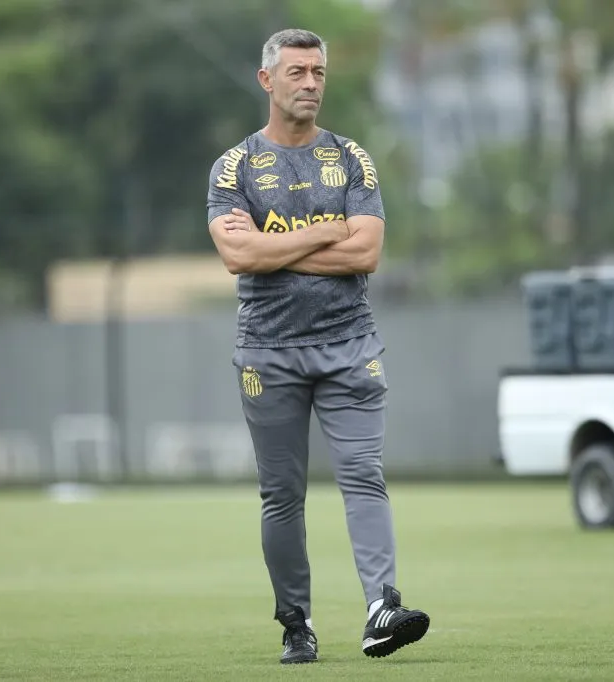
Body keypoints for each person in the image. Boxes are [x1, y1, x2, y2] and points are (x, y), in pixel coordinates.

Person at [205, 28, 430, 665]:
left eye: (319, 73)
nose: (310, 83)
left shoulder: (352, 158)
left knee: (365, 477)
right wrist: (327, 230)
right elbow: (236, 254)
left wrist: (277, 250)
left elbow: (368, 252)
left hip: (349, 345)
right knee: (283, 495)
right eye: (298, 72)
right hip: (268, 351)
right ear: (266, 80)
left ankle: (382, 606)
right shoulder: (235, 166)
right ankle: (295, 622)